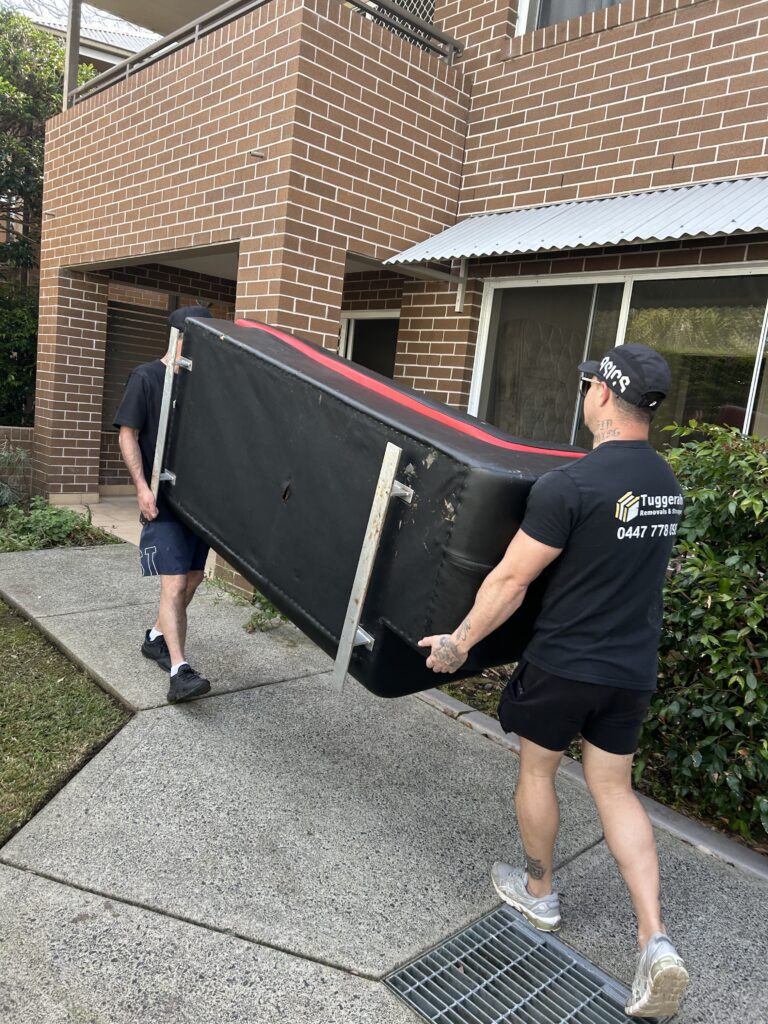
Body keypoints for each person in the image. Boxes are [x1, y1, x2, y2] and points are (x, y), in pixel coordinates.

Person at [419, 343, 690, 1019]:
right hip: (630, 669)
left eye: (590, 384)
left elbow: (512, 579)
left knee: (538, 772)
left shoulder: (570, 485)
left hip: (566, 664)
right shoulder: (666, 484)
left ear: (603, 394)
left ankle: (539, 894)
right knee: (615, 789)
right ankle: (654, 940)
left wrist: (459, 642)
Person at [114, 305, 213, 704]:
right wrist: (141, 487)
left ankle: (155, 636)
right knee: (174, 583)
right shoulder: (147, 377)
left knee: (193, 577)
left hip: (198, 503)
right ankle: (179, 671)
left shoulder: (200, 386)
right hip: (162, 500)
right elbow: (128, 434)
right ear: (180, 338)